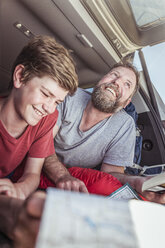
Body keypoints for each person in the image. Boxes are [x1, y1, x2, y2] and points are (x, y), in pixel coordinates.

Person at [39, 62, 165, 203]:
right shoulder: (69, 96)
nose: (117, 82)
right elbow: (43, 142)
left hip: (77, 180)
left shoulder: (125, 125)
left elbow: (110, 174)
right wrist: (62, 175)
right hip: (40, 163)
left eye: (127, 84)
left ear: (126, 103)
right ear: (101, 80)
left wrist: (137, 182)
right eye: (114, 75)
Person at [0, 35, 81, 199]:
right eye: (45, 94)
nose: (49, 108)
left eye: (57, 102)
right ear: (20, 76)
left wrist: (19, 190)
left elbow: (32, 174)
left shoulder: (47, 119)